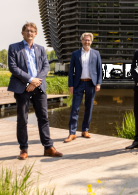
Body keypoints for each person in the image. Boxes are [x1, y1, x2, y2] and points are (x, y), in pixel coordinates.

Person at [8, 22, 63, 160]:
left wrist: (36, 81)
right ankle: (24, 149)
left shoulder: (41, 49)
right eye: (27, 31)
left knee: (43, 118)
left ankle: (48, 147)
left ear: (36, 34)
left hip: (38, 88)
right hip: (22, 88)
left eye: (32, 31)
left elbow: (45, 67)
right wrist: (30, 80)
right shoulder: (14, 48)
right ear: (22, 33)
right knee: (22, 119)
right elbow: (13, 68)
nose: (29, 33)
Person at [65, 33, 102, 143]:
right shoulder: (75, 54)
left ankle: (85, 130)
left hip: (91, 84)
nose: (87, 42)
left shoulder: (96, 53)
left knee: (89, 108)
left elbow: (99, 70)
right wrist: (70, 85)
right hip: (78, 84)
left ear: (91, 41)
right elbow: (71, 71)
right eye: (85, 40)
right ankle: (72, 133)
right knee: (75, 108)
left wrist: (98, 83)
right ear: (81, 41)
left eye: (89, 40)